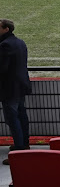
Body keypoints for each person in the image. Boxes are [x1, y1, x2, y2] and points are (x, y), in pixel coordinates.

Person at [0, 19, 32, 164]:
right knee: (21, 115)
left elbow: (2, 69)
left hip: (9, 87)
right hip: (20, 85)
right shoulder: (20, 42)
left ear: (6, 29)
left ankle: (19, 148)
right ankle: (23, 144)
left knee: (12, 118)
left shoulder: (5, 45)